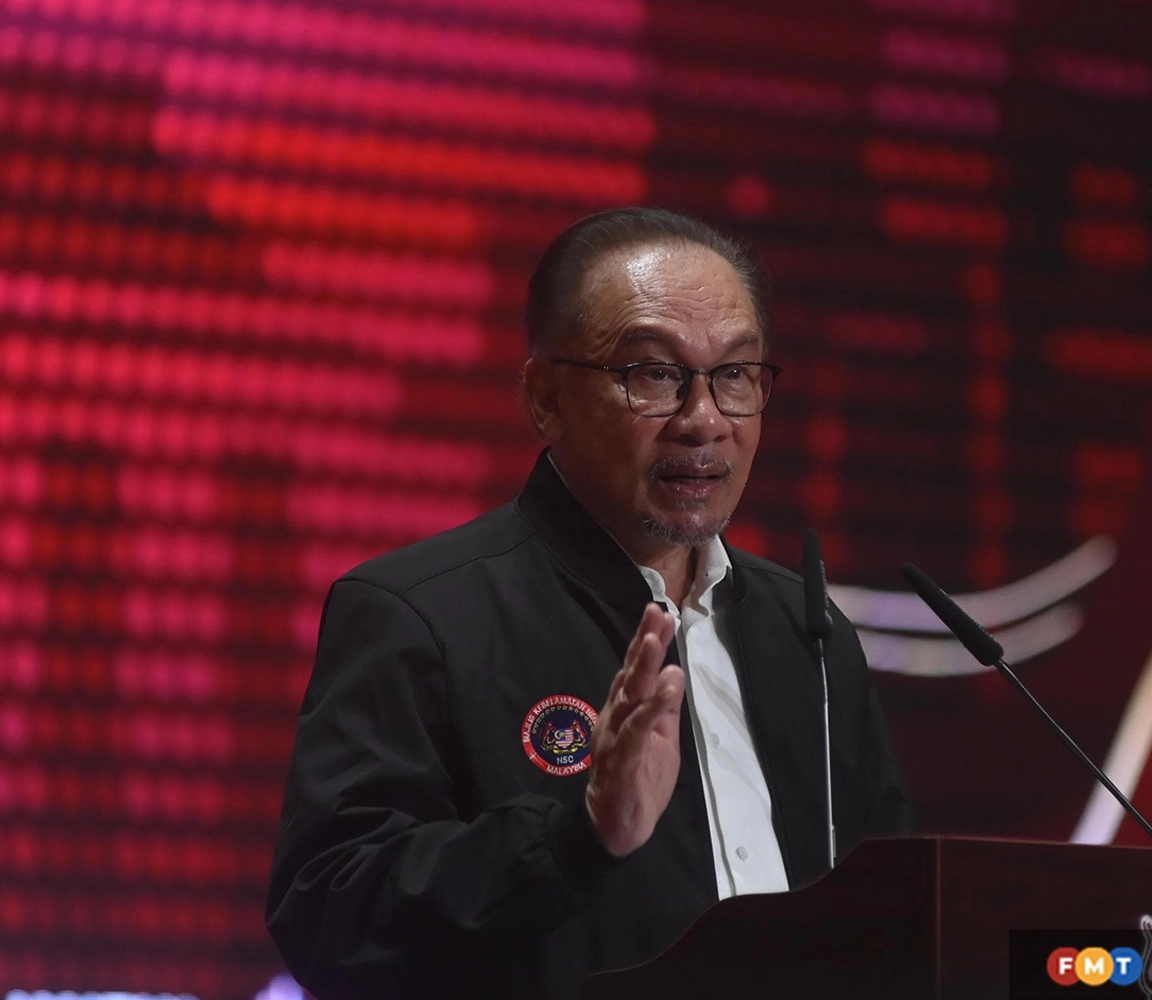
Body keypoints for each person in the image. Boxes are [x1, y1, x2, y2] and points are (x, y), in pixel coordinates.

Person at [265, 207, 914, 999]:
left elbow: (902, 913)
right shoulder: (419, 616)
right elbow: (328, 915)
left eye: (735, 375)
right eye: (655, 374)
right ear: (546, 398)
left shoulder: (808, 631)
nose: (704, 420)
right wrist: (577, 839)